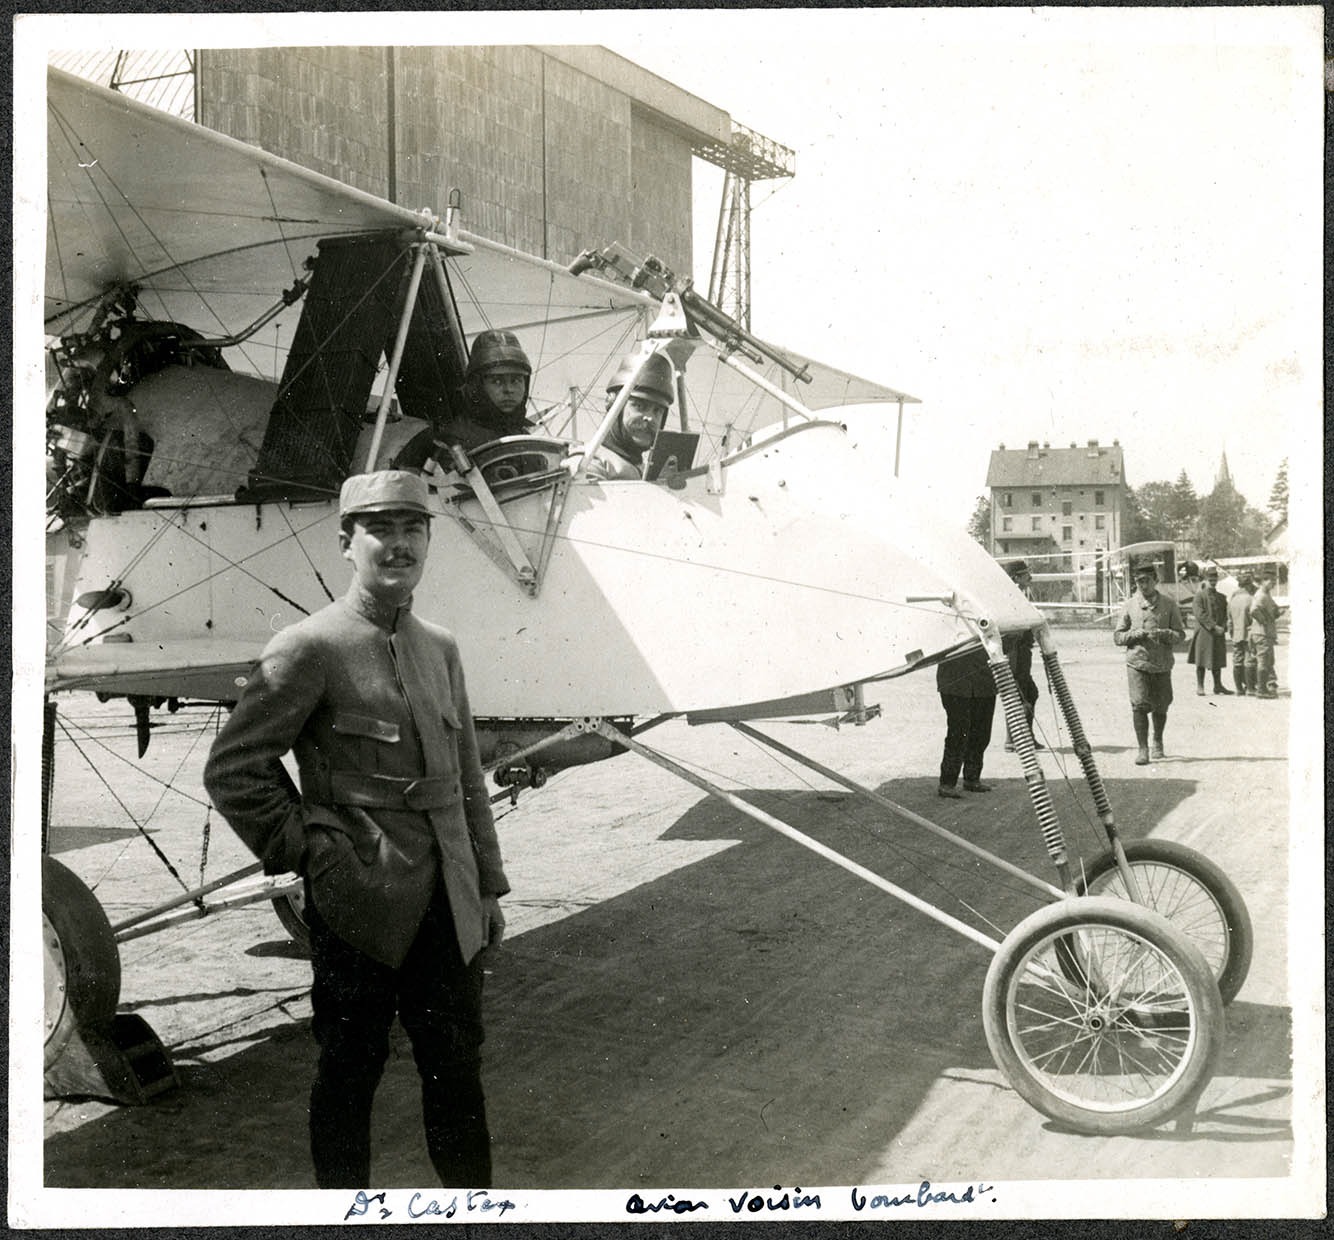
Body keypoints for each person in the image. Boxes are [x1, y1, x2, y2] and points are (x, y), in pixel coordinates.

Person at [203, 469, 509, 1189]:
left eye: (413, 530)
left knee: (457, 1073)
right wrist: (310, 850)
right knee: (349, 1072)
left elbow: (466, 780)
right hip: (360, 903)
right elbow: (235, 769)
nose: (398, 547)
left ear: (428, 540)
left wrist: (488, 887)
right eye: (380, 531)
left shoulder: (441, 646)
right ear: (347, 542)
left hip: (450, 905)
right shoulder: (309, 646)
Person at [1113, 561, 1185, 765]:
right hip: (1138, 663)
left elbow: (1181, 634)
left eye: (1146, 581)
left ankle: (1158, 742)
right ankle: (1143, 749)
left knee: (1161, 705)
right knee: (1139, 704)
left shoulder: (1169, 605)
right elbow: (1117, 637)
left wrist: (1167, 634)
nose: (1142, 586)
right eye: (1138, 582)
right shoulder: (1129, 605)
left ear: (1156, 580)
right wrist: (1135, 634)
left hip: (1162, 663)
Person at [579, 350, 674, 480]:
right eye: (639, 406)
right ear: (614, 405)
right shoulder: (589, 463)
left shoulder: (644, 470)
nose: (650, 417)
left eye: (657, 411)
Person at [936, 645, 997, 797]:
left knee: (982, 733)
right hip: (955, 683)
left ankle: (972, 778)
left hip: (984, 682)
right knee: (958, 733)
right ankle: (947, 783)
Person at [1001, 560, 1044, 752]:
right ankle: (1016, 739)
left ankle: (1022, 737)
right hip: (1014, 653)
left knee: (1028, 693)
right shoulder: (1008, 599)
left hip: (1022, 652)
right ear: (1015, 578)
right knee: (1020, 695)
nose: (1030, 578)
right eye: (1025, 574)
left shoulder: (1019, 596)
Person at [1187, 566, 1231, 695]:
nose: (1213, 580)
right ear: (1205, 579)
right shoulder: (1199, 596)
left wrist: (1223, 627)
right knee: (1201, 659)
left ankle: (1218, 686)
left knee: (1217, 659)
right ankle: (1200, 686)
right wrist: (1213, 626)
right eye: (1210, 578)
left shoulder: (1221, 597)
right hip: (1204, 632)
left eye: (1214, 578)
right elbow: (1199, 614)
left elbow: (1225, 614)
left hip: (1218, 633)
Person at [1247, 573, 1281, 699]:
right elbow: (1253, 610)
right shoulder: (1261, 595)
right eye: (1271, 581)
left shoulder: (1265, 595)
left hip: (1263, 633)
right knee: (1263, 661)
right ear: (1263, 581)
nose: (1273, 584)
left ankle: (1262, 688)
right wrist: (1264, 621)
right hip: (1262, 633)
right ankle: (1261, 690)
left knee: (1265, 661)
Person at [1226, 575, 1254, 695]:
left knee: (1237, 661)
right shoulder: (1251, 599)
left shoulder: (1233, 600)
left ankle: (1238, 689)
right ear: (1248, 585)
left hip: (1236, 634)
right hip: (1248, 633)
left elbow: (1229, 619)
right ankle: (1250, 688)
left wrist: (1232, 632)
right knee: (1249, 660)